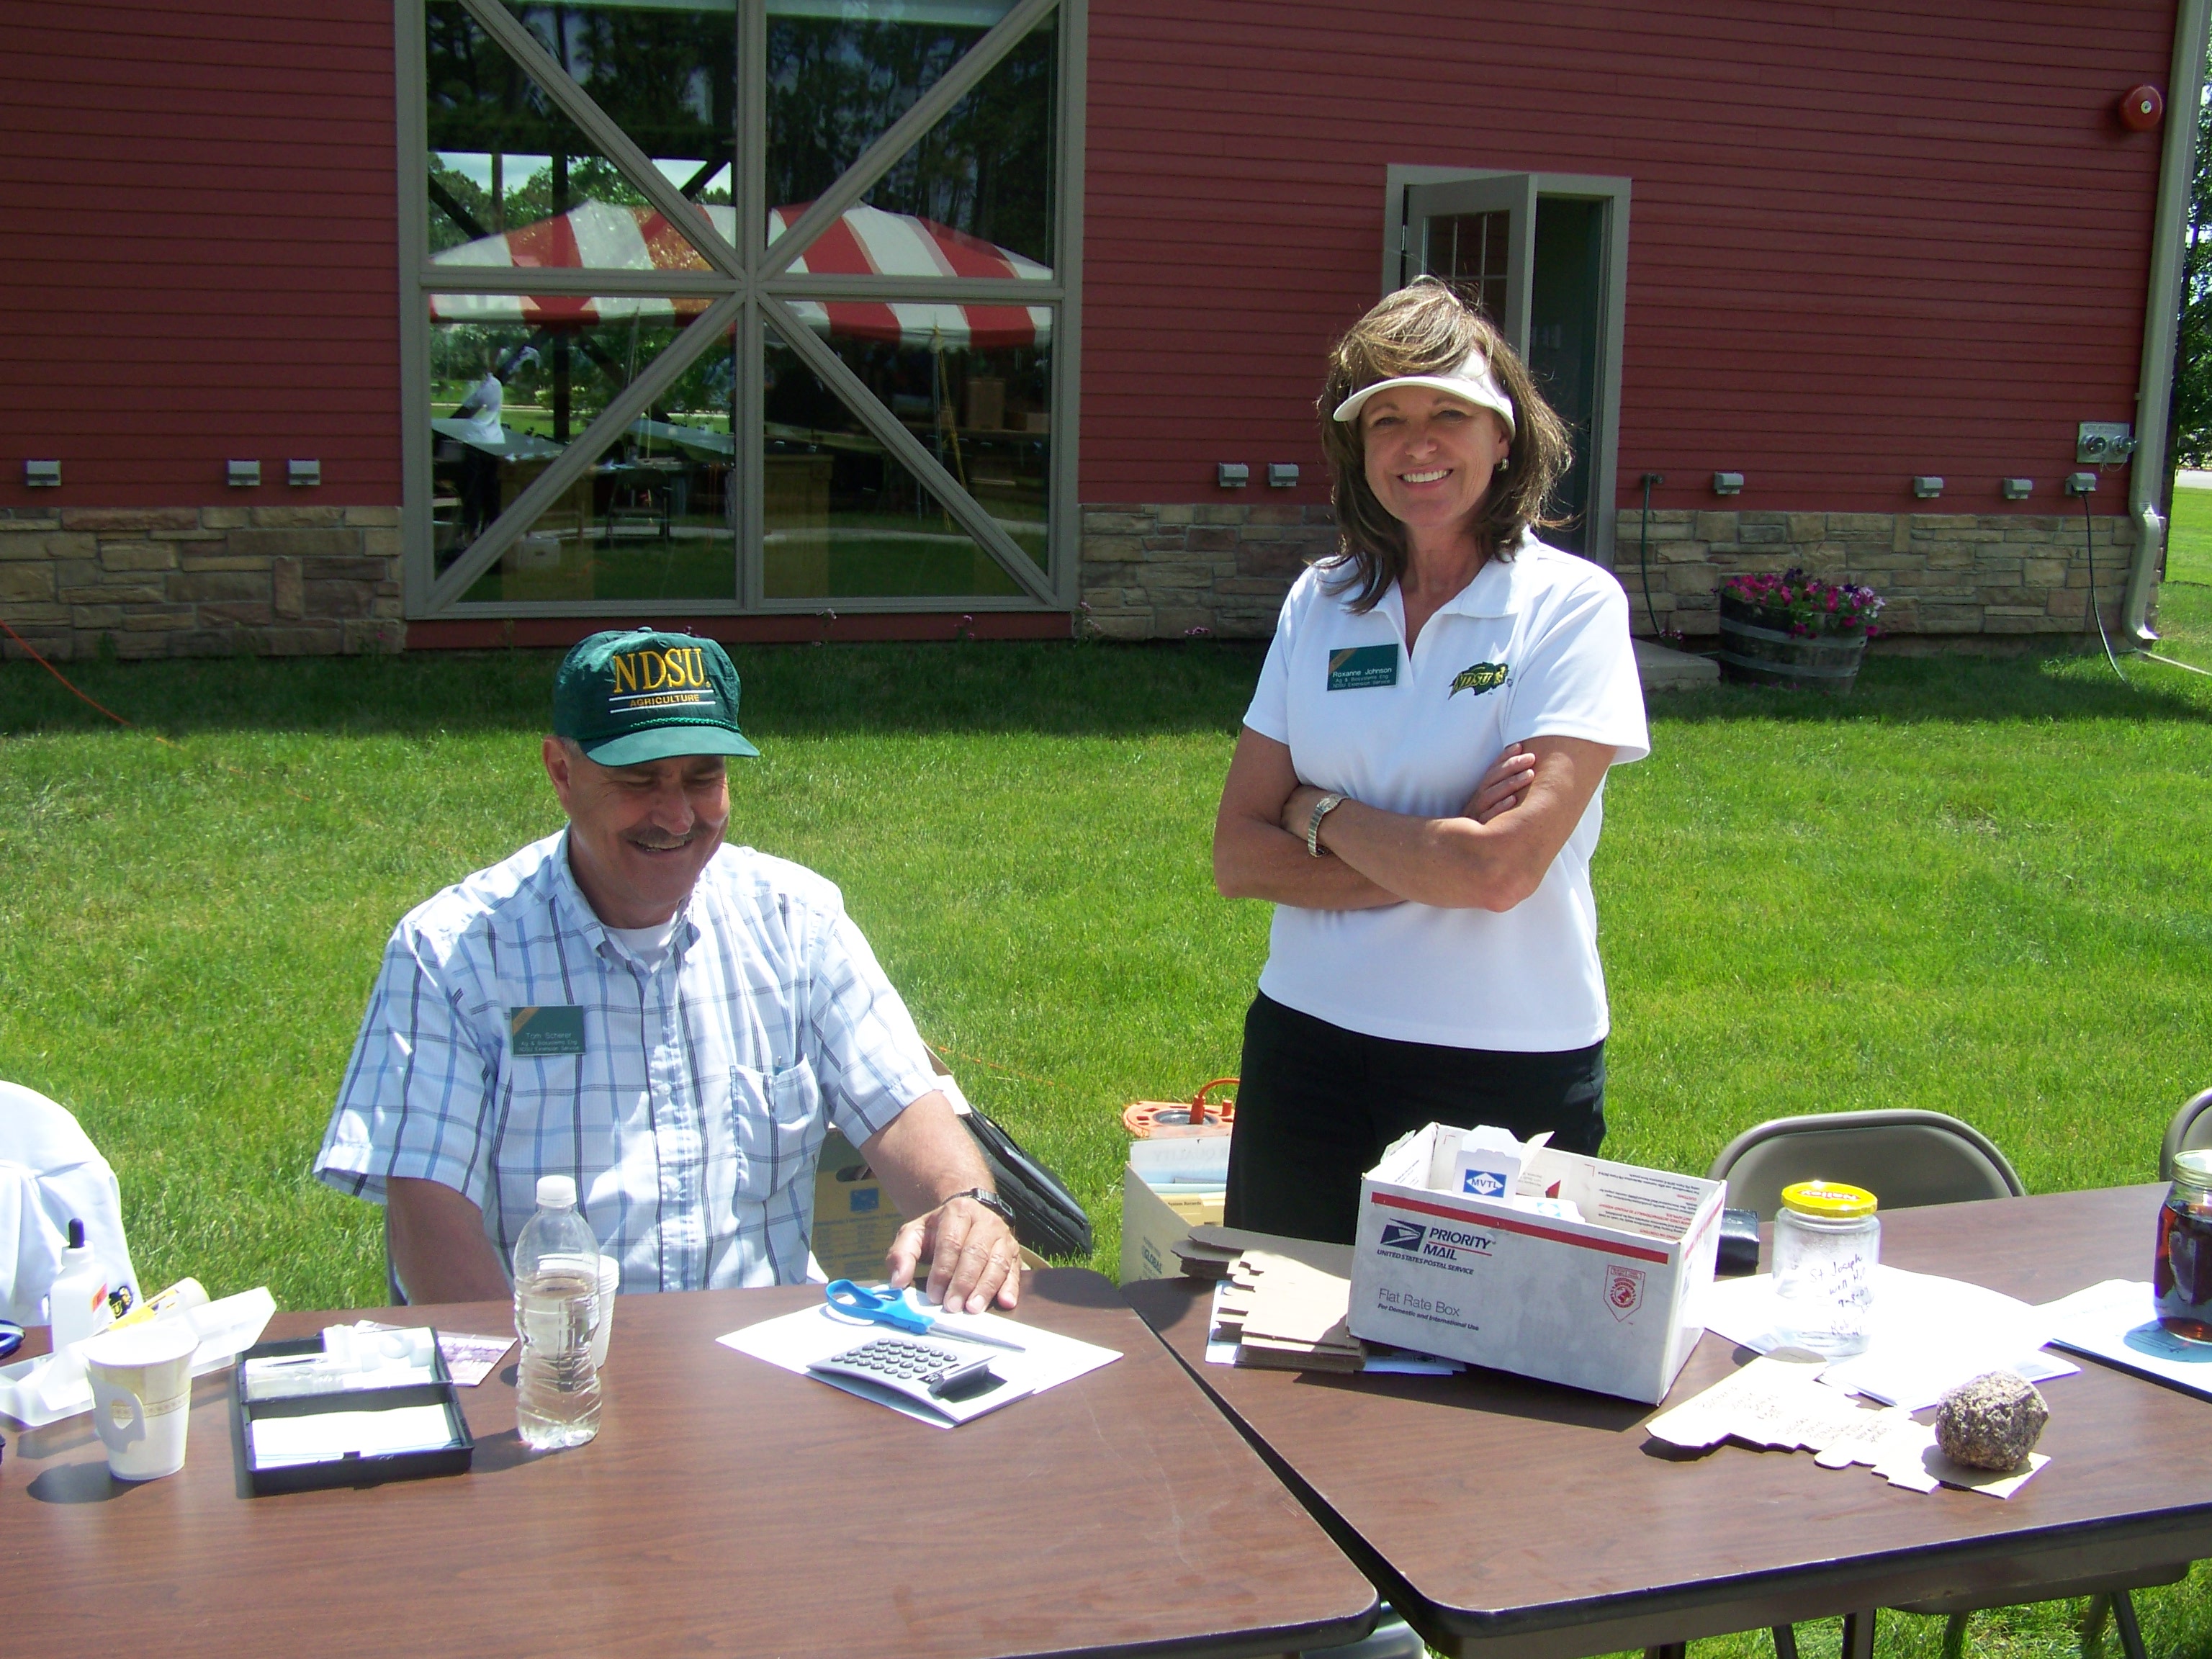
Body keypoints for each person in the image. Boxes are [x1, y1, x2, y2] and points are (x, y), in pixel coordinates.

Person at [314, 629, 1022, 1313]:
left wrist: (968, 1204)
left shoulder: (796, 920)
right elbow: (428, 1217)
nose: (677, 815)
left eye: (703, 779)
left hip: (762, 1364)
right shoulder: (455, 953)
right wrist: (537, 1380)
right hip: (555, 1360)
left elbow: (901, 1109)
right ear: (562, 771)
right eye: (641, 780)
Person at [1211, 278, 1650, 1245]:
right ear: (1355, 447)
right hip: (1309, 1047)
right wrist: (1430, 853)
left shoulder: (1570, 609)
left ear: (1505, 437)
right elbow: (1237, 857)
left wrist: (1316, 812)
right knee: (1283, 1362)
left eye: (1449, 413)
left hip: (1503, 1064)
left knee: (1479, 1380)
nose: (1418, 444)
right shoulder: (1320, 602)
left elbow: (1499, 873)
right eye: (1386, 419)